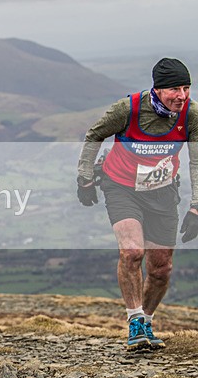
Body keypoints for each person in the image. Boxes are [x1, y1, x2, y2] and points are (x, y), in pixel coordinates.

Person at [77, 58, 197, 351]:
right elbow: (94, 134)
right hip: (121, 187)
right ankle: (134, 323)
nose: (181, 95)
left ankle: (146, 320)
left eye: (186, 87)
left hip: (163, 192)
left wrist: (196, 206)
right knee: (132, 252)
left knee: (161, 269)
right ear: (157, 89)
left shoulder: (190, 115)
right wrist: (84, 177)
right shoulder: (128, 109)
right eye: (174, 89)